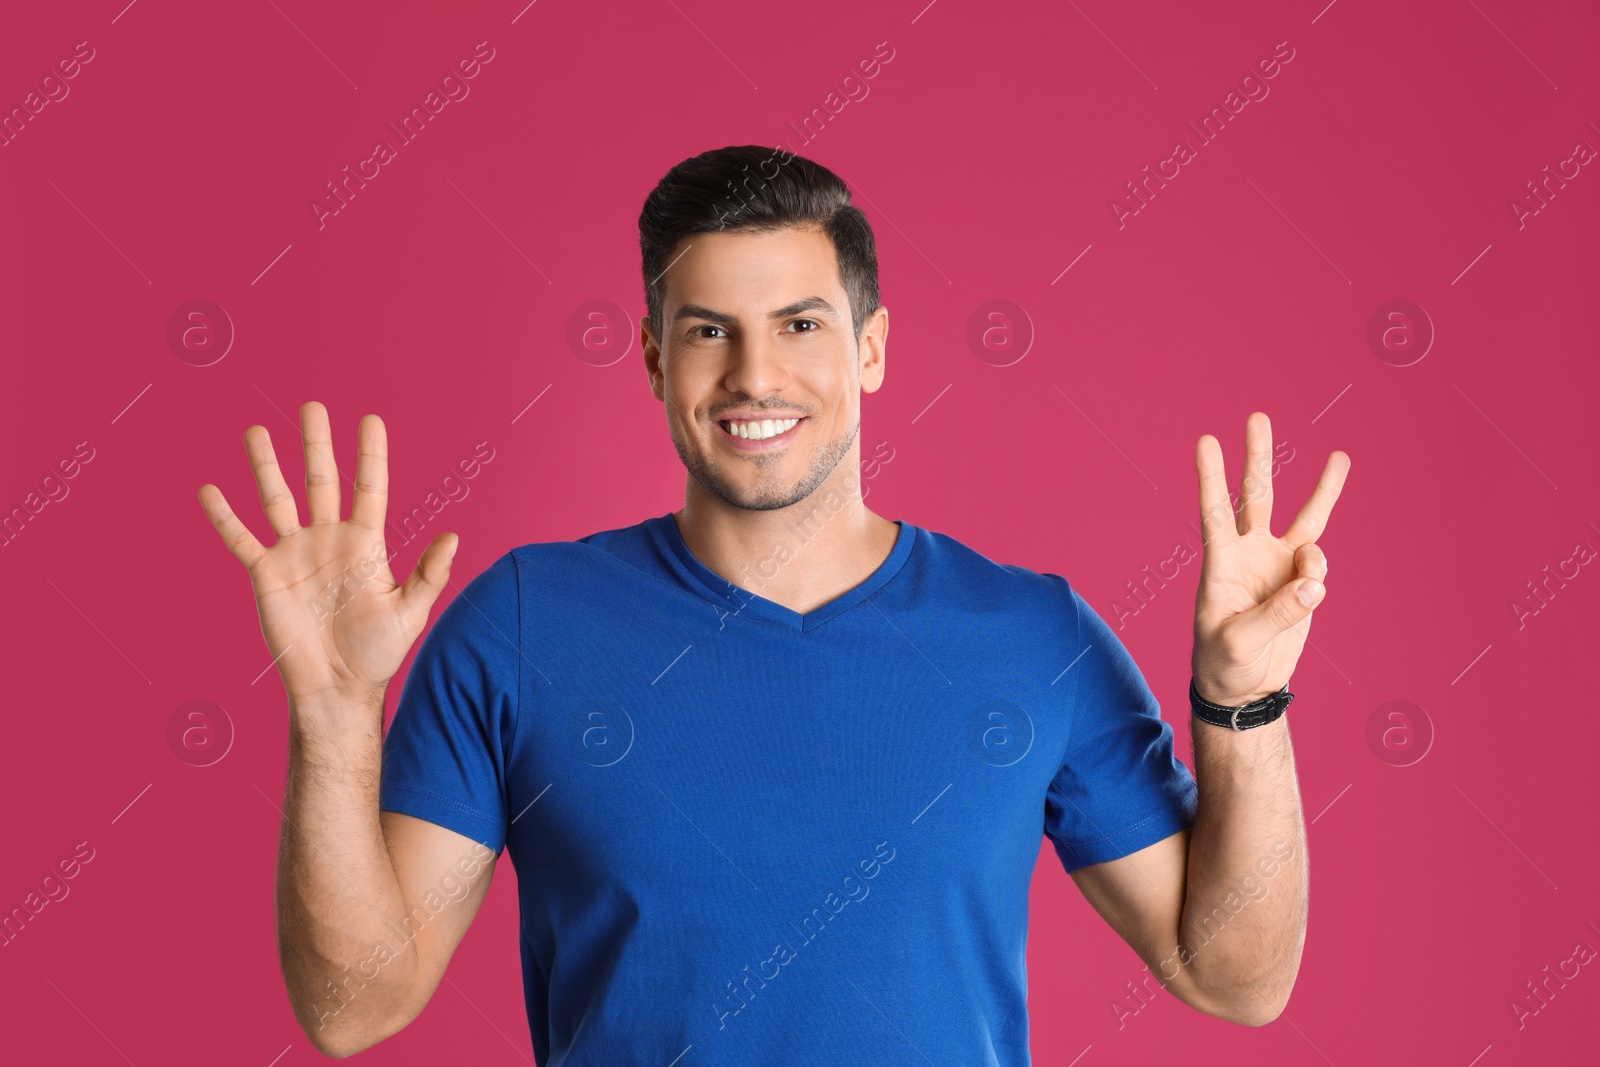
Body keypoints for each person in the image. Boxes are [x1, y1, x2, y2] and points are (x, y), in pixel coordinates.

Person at [197, 144, 1350, 1063]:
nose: (755, 375)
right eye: (710, 331)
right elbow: (354, 1006)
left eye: (801, 324)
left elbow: (1234, 976)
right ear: (654, 359)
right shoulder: (519, 628)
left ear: (874, 349)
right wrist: (335, 713)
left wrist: (1244, 705)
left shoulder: (1030, 635)